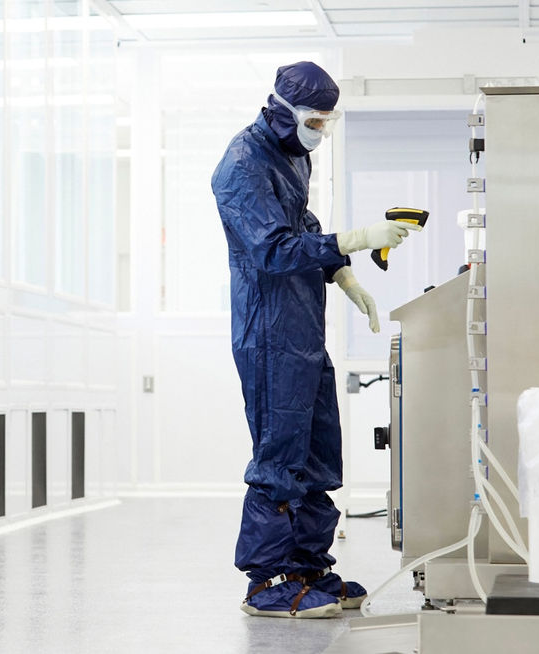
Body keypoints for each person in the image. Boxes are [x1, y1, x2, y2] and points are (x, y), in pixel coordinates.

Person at [210, 61, 420, 619]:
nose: (319, 131)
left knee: (319, 452)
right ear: (280, 107)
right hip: (269, 331)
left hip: (304, 328)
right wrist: (353, 239)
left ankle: (307, 569)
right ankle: (267, 582)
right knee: (280, 458)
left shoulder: (291, 155)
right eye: (314, 120)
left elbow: (301, 226)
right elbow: (274, 250)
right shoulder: (240, 164)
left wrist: (344, 276)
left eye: (327, 122)